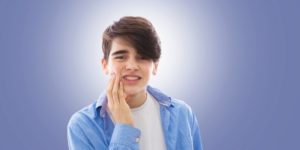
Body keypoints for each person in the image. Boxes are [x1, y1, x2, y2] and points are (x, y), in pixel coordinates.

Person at [67, 16, 203, 150]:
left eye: (142, 57)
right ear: (105, 65)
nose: (132, 66)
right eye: (121, 57)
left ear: (155, 66)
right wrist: (124, 127)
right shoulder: (82, 125)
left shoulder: (183, 114)